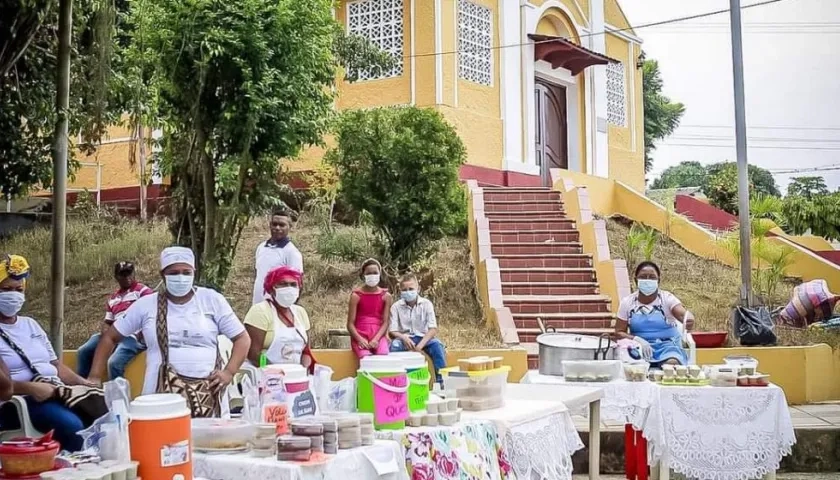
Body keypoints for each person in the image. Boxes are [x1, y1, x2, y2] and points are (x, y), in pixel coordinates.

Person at [89, 246, 251, 417]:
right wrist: (94, 376)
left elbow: (242, 338)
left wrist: (229, 372)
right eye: (174, 273)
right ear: (162, 275)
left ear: (194, 273)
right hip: (159, 399)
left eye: (186, 272)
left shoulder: (211, 300)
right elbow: (110, 338)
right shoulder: (147, 305)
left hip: (209, 396)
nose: (180, 277)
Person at [0, 255, 93, 450]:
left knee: (102, 413)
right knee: (73, 426)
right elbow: (4, 387)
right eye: (6, 290)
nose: (13, 295)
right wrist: (32, 388)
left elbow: (55, 365)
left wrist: (85, 384)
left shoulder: (30, 325)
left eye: (18, 290)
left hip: (55, 392)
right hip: (19, 403)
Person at [76, 262, 153, 379]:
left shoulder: (143, 291)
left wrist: (139, 335)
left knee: (113, 363)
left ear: (134, 274)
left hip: (133, 335)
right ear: (117, 277)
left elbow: (151, 315)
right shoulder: (113, 298)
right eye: (123, 275)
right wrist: (106, 334)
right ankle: (85, 388)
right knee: (83, 351)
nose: (127, 278)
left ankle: (118, 395)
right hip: (115, 332)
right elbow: (108, 321)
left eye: (129, 274)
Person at [616, 261, 694, 366]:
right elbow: (618, 332)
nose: (647, 280)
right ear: (636, 280)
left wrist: (688, 318)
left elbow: (682, 314)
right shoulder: (627, 302)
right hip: (639, 347)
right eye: (643, 277)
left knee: (671, 364)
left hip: (668, 347)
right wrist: (638, 340)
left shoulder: (667, 298)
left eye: (652, 277)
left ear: (658, 281)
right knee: (633, 367)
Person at [243, 266, 314, 371]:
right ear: (272, 289)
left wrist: (303, 370)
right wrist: (274, 370)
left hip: (295, 374)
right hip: (263, 373)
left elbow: (305, 352)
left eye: (293, 285)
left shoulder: (300, 312)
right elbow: (253, 353)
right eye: (283, 284)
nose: (289, 288)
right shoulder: (260, 311)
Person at [388, 273, 447, 385]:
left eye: (411, 289)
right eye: (404, 290)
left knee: (437, 346)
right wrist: (403, 337)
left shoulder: (426, 304)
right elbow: (392, 330)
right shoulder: (395, 307)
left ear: (418, 288)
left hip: (424, 338)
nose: (408, 292)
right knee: (394, 346)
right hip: (405, 339)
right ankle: (396, 381)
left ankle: (441, 383)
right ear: (400, 290)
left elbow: (433, 328)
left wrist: (420, 345)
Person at [252, 210, 303, 306]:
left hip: (278, 307)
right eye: (274, 224)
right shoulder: (261, 247)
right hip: (258, 305)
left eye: (282, 225)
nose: (277, 228)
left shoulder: (292, 252)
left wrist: (288, 308)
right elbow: (258, 275)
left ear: (289, 227)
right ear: (270, 225)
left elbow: (298, 284)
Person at [348, 259, 391, 358]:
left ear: (380, 274)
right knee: (366, 359)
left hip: (378, 335)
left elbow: (385, 322)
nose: (372, 275)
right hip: (360, 334)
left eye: (375, 273)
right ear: (364, 275)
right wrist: (359, 339)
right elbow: (350, 324)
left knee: (383, 356)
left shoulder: (386, 296)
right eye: (369, 273)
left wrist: (376, 339)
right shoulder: (356, 296)